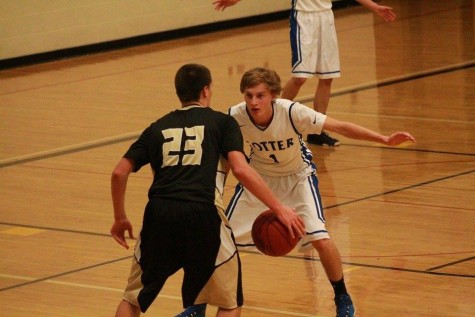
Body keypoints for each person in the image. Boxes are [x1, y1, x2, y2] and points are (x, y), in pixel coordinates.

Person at [184, 67, 415, 317]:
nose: (253, 102)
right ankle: (197, 307)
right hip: (260, 180)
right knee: (218, 240)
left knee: (320, 238)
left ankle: (342, 297)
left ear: (273, 95)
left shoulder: (292, 112)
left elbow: (341, 127)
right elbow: (223, 155)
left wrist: (384, 139)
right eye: (249, 95)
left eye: (260, 95)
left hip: (297, 178)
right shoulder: (235, 116)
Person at [110, 64, 305, 317]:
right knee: (229, 302)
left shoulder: (157, 128)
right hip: (203, 212)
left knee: (132, 299)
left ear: (179, 93)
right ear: (206, 90)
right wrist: (279, 208)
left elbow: (119, 172)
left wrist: (119, 218)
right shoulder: (222, 123)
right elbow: (241, 170)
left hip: (159, 213)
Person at [213, 0, 396, 147]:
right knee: (300, 77)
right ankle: (275, 115)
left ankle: (317, 132)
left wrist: (374, 6)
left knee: (327, 77)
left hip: (326, 17)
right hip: (304, 18)